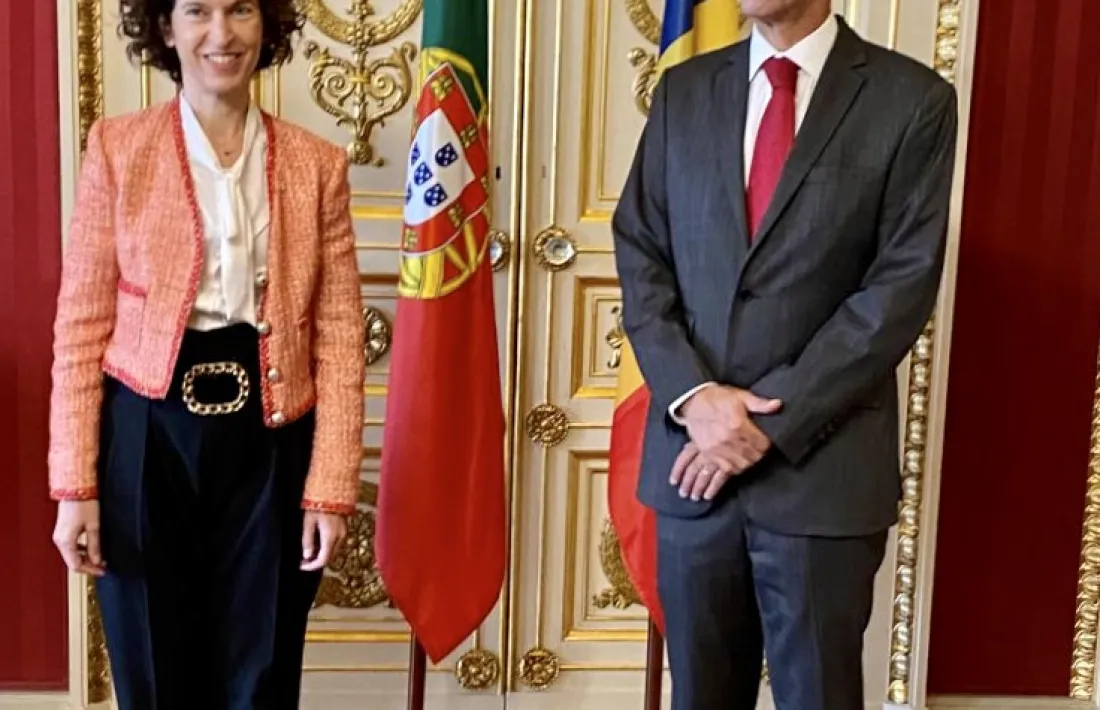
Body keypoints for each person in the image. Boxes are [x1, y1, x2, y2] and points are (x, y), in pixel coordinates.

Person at [612, 1, 958, 708]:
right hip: (692, 472)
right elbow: (642, 254)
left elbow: (896, 290)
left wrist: (769, 421)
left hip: (820, 476)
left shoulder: (913, 100)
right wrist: (694, 397)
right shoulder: (684, 90)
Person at [47, 1, 365, 707]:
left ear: (266, 25)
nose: (221, 34)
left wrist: (330, 488)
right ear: (165, 28)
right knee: (156, 673)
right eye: (197, 11)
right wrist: (75, 488)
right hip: (144, 437)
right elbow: (80, 325)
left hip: (274, 439)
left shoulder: (319, 164)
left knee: (261, 672)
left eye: (240, 10)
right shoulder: (117, 148)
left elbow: (341, 336)